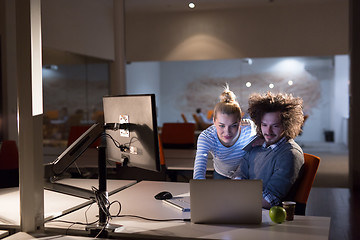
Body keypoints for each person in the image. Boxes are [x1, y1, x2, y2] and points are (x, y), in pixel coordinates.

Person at [232, 92, 305, 209]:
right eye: (264, 124)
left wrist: (237, 198)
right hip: (244, 207)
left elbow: (269, 200)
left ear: (287, 125)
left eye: (275, 126)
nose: (268, 131)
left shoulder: (290, 154)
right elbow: (239, 175)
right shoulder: (257, 145)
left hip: (266, 217)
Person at [193, 85, 257, 179]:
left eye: (233, 125)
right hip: (221, 174)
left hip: (245, 174)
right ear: (214, 121)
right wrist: (199, 187)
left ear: (240, 121)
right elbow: (199, 168)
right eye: (221, 125)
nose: (227, 132)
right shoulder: (206, 137)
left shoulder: (249, 129)